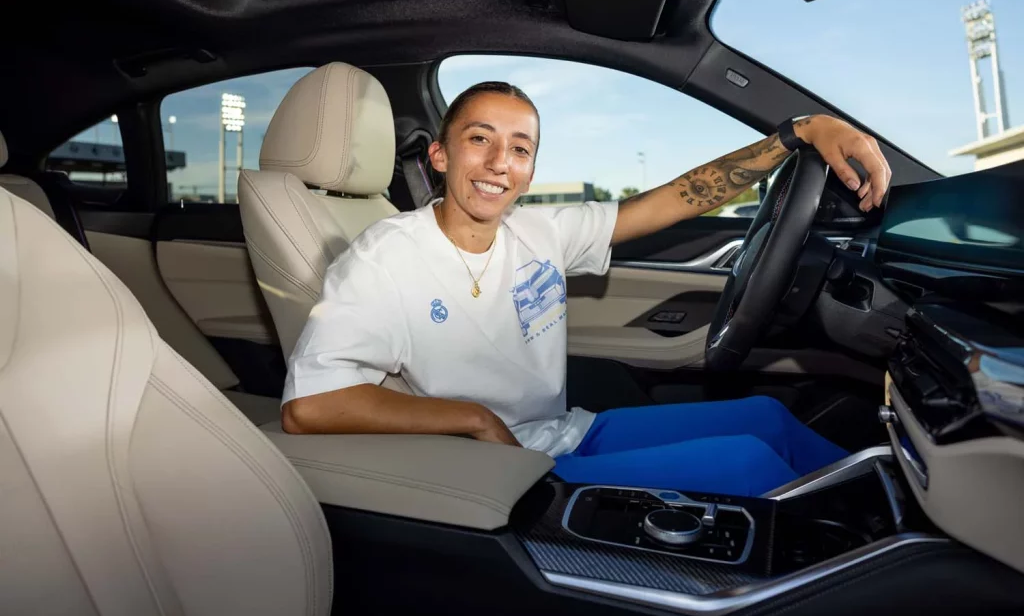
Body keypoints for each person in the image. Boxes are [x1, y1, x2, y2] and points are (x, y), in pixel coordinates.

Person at [281, 81, 891, 497]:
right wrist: (472, 418)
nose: (499, 162)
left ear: (530, 171)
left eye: (520, 148)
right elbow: (310, 407)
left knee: (766, 419)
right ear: (440, 156)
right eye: (480, 139)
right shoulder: (387, 254)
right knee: (749, 464)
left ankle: (898, 516)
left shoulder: (540, 231)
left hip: (566, 432)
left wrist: (798, 133)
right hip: (500, 468)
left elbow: (674, 200)